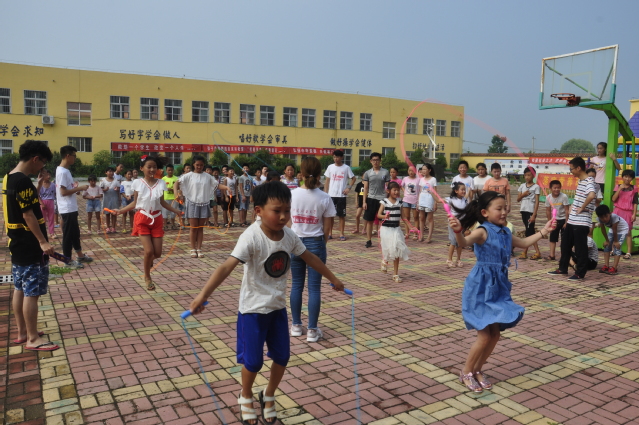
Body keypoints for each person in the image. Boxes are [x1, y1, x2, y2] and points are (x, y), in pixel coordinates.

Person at [188, 181, 345, 425]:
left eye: (287, 210)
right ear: (258, 211)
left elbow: (310, 257)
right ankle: (245, 395)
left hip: (277, 308)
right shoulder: (251, 237)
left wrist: (333, 278)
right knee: (253, 362)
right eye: (277, 211)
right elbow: (226, 266)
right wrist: (203, 295)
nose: (283, 217)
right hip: (252, 310)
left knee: (282, 357)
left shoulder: (289, 236)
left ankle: (268, 395)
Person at [448, 191, 556, 393]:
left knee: (495, 334)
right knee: (484, 336)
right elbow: (463, 243)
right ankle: (466, 372)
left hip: (499, 287)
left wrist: (544, 230)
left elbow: (523, 243)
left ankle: (477, 370)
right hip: (480, 287)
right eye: (499, 208)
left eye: (505, 208)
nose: (504, 212)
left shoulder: (505, 231)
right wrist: (457, 231)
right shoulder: (482, 231)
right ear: (485, 212)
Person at [4, 140, 58, 351]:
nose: (42, 167)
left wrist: (38, 184)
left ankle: (23, 332)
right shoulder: (23, 181)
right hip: (29, 244)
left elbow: (24, 204)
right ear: (35, 159)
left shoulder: (9, 177)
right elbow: (28, 215)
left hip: (16, 243)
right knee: (31, 292)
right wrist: (43, 241)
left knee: (19, 288)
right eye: (43, 162)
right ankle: (33, 339)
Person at [113, 155, 183, 290]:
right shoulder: (137, 183)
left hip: (157, 219)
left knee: (157, 253)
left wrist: (176, 211)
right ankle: (147, 276)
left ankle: (149, 261)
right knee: (149, 251)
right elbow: (135, 202)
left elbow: (162, 203)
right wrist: (120, 211)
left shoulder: (161, 183)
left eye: (154, 167)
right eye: (149, 167)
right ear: (142, 168)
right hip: (142, 218)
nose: (152, 169)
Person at [290, 157, 337, 342]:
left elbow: (288, 221)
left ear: (301, 173)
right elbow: (327, 228)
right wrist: (321, 244)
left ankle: (296, 325)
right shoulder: (325, 197)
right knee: (314, 288)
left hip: (295, 243)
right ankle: (312, 330)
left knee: (296, 285)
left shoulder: (292, 194)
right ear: (319, 174)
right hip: (315, 243)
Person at [548, 157, 596, 280]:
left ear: (578, 168)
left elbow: (592, 195)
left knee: (580, 248)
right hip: (572, 220)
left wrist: (582, 207)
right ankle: (562, 268)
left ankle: (580, 273)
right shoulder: (581, 181)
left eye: (572, 169)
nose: (571, 172)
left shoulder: (589, 181)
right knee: (565, 245)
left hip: (582, 221)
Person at [175, 155, 228, 258]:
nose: (199, 167)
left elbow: (216, 185)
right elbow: (176, 183)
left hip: (204, 203)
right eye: (197, 165)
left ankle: (199, 248)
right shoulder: (188, 175)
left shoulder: (207, 176)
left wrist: (226, 188)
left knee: (200, 228)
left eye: (201, 165)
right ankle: (192, 249)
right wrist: (176, 193)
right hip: (192, 202)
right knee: (193, 227)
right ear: (193, 164)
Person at [56, 145, 92, 269]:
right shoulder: (62, 172)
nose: (75, 158)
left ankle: (80, 255)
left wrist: (75, 189)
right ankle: (67, 260)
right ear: (67, 156)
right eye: (74, 156)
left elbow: (67, 189)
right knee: (68, 235)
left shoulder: (65, 171)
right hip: (67, 208)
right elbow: (63, 192)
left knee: (75, 233)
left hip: (71, 207)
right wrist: (79, 188)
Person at [377, 181, 410, 282]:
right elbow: (378, 215)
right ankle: (385, 260)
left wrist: (411, 227)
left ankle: (395, 274)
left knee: (397, 250)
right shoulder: (384, 202)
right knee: (388, 248)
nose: (396, 192)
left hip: (396, 229)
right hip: (386, 229)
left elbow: (404, 217)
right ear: (388, 191)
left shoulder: (400, 202)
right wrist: (384, 216)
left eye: (398, 190)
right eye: (394, 190)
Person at [324, 149, 356, 241]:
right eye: (334, 157)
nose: (336, 159)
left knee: (341, 215)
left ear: (342, 157)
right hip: (331, 195)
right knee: (331, 215)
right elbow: (327, 181)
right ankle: (330, 233)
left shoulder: (346, 168)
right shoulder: (330, 167)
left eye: (338, 157)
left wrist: (348, 188)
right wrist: (325, 194)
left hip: (341, 196)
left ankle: (341, 233)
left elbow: (353, 178)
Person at [362, 152, 390, 248]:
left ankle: (383, 240)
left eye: (377, 160)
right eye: (373, 160)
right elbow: (365, 188)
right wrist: (364, 202)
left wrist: (387, 199)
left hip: (382, 199)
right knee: (369, 220)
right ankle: (369, 240)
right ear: (371, 161)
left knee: (383, 221)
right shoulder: (368, 173)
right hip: (371, 198)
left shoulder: (385, 172)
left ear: (380, 160)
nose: (375, 162)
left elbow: (388, 187)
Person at [516, 167, 542, 260]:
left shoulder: (536, 187)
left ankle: (527, 252)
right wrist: (523, 194)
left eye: (529, 175)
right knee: (530, 231)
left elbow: (537, 202)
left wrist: (534, 214)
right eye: (525, 175)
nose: (527, 177)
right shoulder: (522, 186)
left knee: (529, 231)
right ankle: (534, 252)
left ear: (533, 176)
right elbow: (518, 199)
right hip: (523, 210)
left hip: (531, 211)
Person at [612, 169, 638, 259]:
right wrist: (619, 189)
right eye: (625, 176)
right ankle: (613, 249)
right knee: (615, 230)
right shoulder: (617, 186)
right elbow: (613, 199)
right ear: (622, 177)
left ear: (632, 178)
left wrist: (634, 214)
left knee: (628, 232)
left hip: (628, 212)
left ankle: (628, 252)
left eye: (629, 177)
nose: (627, 178)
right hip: (617, 211)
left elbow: (635, 202)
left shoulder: (634, 188)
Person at [595, 204, 627, 275]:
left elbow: (615, 230)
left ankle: (614, 268)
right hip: (612, 230)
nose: (605, 219)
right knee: (607, 246)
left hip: (622, 230)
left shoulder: (614, 217)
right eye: (602, 217)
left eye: (606, 216)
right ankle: (606, 266)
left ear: (610, 213)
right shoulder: (599, 219)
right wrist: (607, 240)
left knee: (617, 248)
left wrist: (616, 241)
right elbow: (603, 230)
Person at [441, 182, 468, 267]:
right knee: (453, 242)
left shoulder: (465, 200)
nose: (464, 191)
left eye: (464, 189)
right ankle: (449, 259)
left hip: (462, 223)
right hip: (453, 223)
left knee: (460, 243)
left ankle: (458, 259)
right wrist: (431, 193)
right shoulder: (450, 199)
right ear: (456, 191)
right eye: (462, 189)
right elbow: (439, 200)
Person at [544, 180, 570, 261]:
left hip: (563, 219)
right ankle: (552, 255)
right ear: (550, 188)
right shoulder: (548, 198)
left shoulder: (564, 196)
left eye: (558, 188)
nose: (556, 189)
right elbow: (548, 211)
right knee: (553, 238)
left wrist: (566, 222)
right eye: (555, 188)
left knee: (564, 239)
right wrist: (550, 221)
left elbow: (567, 210)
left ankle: (564, 256)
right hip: (554, 220)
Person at [418, 164, 437, 243]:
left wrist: (435, 202)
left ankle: (429, 237)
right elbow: (420, 191)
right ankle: (421, 235)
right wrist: (418, 202)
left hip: (429, 200)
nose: (423, 171)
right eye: (422, 169)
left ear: (429, 170)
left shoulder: (433, 179)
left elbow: (435, 192)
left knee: (430, 218)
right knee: (422, 218)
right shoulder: (421, 179)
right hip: (422, 200)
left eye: (425, 169)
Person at [401, 166, 420, 240]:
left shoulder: (418, 179)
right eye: (409, 170)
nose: (411, 172)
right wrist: (404, 191)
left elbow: (421, 189)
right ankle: (407, 233)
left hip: (415, 201)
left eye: (412, 170)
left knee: (416, 217)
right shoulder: (405, 178)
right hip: (406, 200)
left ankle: (415, 233)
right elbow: (401, 186)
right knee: (407, 218)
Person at [100, 167, 121, 233]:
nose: (111, 173)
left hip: (114, 198)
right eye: (109, 171)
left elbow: (119, 189)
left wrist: (117, 190)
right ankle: (108, 227)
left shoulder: (116, 180)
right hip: (106, 198)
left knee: (114, 213)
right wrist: (105, 190)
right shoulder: (103, 180)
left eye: (112, 171)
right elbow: (100, 190)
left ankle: (113, 227)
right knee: (107, 213)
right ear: (106, 172)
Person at [38, 169, 57, 239]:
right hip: (43, 202)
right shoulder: (40, 185)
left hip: (51, 201)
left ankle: (52, 233)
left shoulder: (53, 185)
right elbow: (37, 195)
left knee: (51, 218)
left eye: (49, 175)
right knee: (43, 219)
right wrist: (41, 203)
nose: (48, 176)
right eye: (47, 175)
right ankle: (42, 233)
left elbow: (55, 193)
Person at [161, 164, 179, 230]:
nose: (170, 171)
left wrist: (172, 189)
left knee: (173, 212)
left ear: (173, 170)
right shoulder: (163, 179)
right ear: (166, 171)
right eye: (169, 170)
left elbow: (178, 187)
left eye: (171, 170)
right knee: (165, 212)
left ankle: (173, 224)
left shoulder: (176, 179)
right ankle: (165, 225)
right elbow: (161, 188)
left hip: (174, 198)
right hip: (165, 198)